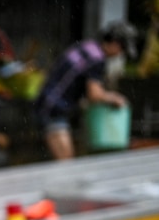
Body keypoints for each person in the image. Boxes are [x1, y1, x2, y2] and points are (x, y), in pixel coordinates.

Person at [35, 21, 138, 160]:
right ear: (115, 43)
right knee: (65, 161)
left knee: (64, 160)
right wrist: (115, 99)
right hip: (54, 108)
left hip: (47, 101)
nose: (120, 54)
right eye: (122, 49)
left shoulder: (88, 47)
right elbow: (94, 94)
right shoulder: (97, 60)